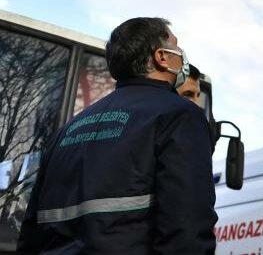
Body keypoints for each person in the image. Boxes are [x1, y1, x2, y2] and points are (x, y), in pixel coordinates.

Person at [17, 17, 217, 254]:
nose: (182, 55)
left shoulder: (69, 130)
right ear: (161, 57)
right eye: (177, 47)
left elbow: (31, 231)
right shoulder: (180, 115)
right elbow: (187, 227)